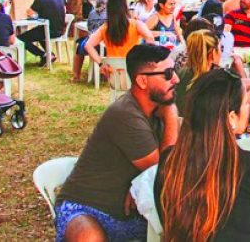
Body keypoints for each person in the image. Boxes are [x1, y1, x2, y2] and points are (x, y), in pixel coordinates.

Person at [54, 45, 180, 242]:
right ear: (142, 80)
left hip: (132, 216)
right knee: (89, 238)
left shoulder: (157, 108)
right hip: (88, 207)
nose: (176, 79)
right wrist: (172, 113)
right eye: (168, 74)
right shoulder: (125, 114)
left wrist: (138, 186)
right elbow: (161, 173)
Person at [155, 68, 250, 241]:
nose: (248, 108)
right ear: (232, 118)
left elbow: (165, 220)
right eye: (246, 103)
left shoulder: (169, 161)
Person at [82, 0, 156, 81]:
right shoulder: (136, 24)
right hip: (134, 73)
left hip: (114, 75)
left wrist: (101, 64)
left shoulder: (105, 28)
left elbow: (88, 45)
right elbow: (150, 38)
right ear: (125, 7)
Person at [17, 0, 66, 66]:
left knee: (21, 39)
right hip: (59, 30)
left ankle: (43, 55)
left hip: (48, 31)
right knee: (38, 32)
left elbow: (29, 12)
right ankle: (50, 54)